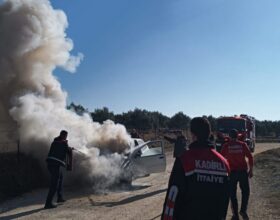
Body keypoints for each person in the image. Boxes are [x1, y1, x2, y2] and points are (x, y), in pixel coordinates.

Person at [162, 117, 230, 220]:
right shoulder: (224, 163)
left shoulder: (184, 160)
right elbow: (225, 200)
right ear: (209, 133)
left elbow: (172, 197)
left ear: (193, 135)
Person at [221, 129, 253, 220]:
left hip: (232, 173)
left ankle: (235, 215)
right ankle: (243, 210)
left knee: (232, 194)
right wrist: (251, 170)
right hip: (243, 172)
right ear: (238, 136)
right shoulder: (243, 145)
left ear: (230, 136)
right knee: (245, 192)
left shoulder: (226, 146)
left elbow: (221, 158)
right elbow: (250, 157)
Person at [44, 130, 73, 209]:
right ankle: (48, 203)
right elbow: (67, 150)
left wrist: (68, 147)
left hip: (50, 164)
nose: (66, 137)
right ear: (64, 136)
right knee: (54, 184)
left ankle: (59, 197)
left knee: (60, 178)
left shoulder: (54, 142)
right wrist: (70, 149)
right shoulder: (64, 143)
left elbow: (62, 148)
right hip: (55, 165)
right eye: (66, 136)